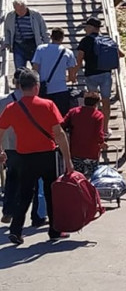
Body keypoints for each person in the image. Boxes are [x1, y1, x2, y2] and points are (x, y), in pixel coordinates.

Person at [0, 69, 74, 245]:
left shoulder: (12, 108)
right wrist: (68, 159)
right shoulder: (48, 105)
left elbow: (0, 131)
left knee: (24, 194)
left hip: (24, 156)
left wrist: (1, 151)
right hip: (47, 155)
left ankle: (16, 230)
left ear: (19, 86)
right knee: (50, 193)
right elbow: (59, 134)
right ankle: (55, 231)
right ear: (36, 86)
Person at [0, 69, 46, 227]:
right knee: (33, 181)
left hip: (9, 145)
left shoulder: (3, 101)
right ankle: (36, 216)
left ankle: (8, 210)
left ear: (14, 82)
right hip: (29, 145)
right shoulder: (34, 99)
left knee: (12, 178)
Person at [75, 17, 123, 138]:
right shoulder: (107, 40)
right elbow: (121, 54)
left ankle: (94, 128)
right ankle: (105, 130)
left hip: (91, 75)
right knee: (106, 102)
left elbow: (79, 58)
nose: (85, 29)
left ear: (91, 27)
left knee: (92, 102)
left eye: (86, 26)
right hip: (106, 74)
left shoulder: (85, 41)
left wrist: (74, 72)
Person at [32, 27, 78, 116]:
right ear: (62, 38)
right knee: (61, 117)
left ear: (51, 37)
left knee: (44, 117)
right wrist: (66, 79)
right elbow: (72, 76)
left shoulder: (40, 49)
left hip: (43, 90)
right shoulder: (68, 52)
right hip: (61, 90)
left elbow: (35, 69)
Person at [63, 91, 104, 179]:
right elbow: (98, 134)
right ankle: (91, 192)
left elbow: (62, 124)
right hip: (91, 152)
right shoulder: (98, 115)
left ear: (84, 101)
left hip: (76, 151)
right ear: (97, 103)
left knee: (77, 177)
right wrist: (102, 143)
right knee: (93, 177)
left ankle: (79, 192)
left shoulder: (73, 112)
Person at [3, 0, 49, 70]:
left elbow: (44, 30)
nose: (20, 12)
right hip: (18, 46)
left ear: (26, 7)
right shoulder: (10, 16)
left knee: (38, 68)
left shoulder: (35, 14)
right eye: (17, 10)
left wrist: (47, 44)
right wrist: (7, 42)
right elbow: (7, 31)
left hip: (33, 45)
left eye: (22, 9)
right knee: (20, 70)